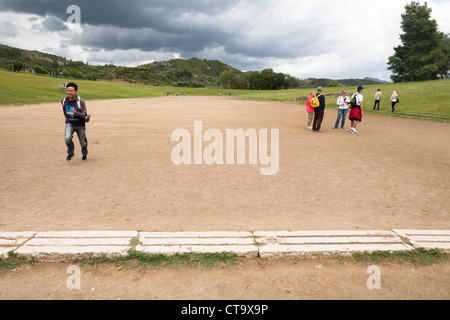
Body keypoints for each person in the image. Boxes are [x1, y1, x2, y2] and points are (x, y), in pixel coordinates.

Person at [62, 82, 88, 161]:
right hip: (70, 123)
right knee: (67, 138)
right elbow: (64, 110)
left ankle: (84, 154)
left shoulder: (80, 102)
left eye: (71, 91)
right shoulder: (64, 100)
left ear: (76, 91)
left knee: (83, 142)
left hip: (80, 124)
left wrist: (76, 113)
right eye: (68, 90)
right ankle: (70, 153)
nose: (69, 92)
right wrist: (66, 117)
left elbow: (84, 114)